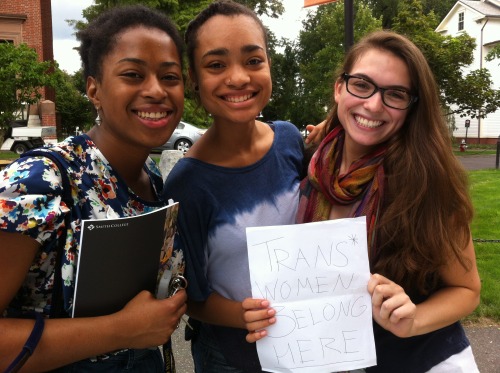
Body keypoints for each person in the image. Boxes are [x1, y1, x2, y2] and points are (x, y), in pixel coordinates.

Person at [243, 30, 481, 372]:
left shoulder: (427, 183)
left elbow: (467, 289)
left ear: (412, 106)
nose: (373, 104)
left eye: (395, 94)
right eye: (362, 84)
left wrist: (414, 318)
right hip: (328, 359)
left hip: (424, 361)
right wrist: (265, 313)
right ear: (340, 88)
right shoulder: (307, 162)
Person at [0, 5, 187, 372]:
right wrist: (121, 331)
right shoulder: (40, 180)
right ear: (94, 89)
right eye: (132, 74)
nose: (155, 90)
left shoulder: (152, 177)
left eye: (170, 76)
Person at [162, 1, 304, 372]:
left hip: (309, 343)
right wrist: (242, 314)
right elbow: (188, 296)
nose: (239, 77)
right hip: (231, 357)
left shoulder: (289, 141)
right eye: (216, 65)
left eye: (253, 60)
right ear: (193, 77)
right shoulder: (187, 184)